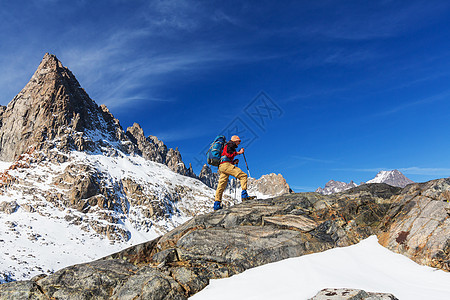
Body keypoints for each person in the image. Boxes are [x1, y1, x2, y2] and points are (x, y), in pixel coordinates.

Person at [213, 135, 254, 210]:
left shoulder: (227, 146)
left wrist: (233, 162)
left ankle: (217, 204)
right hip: (226, 165)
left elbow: (226, 156)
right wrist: (239, 152)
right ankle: (244, 196)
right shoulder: (230, 144)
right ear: (235, 140)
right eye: (239, 141)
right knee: (243, 176)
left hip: (222, 166)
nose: (239, 142)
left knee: (221, 186)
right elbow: (229, 154)